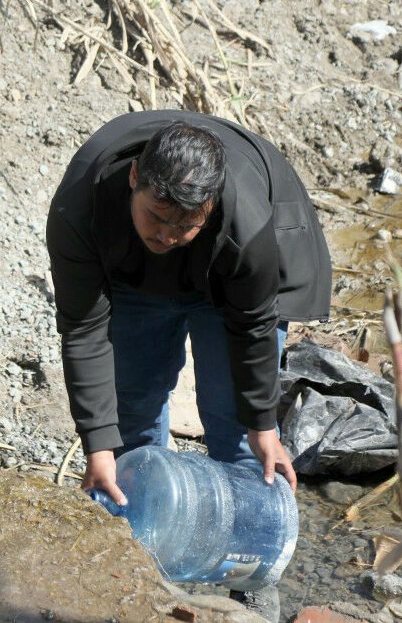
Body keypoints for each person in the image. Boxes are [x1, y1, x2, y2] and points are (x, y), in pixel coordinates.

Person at [46, 110, 331, 618]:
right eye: (156, 216)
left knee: (236, 426)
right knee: (131, 410)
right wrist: (98, 445)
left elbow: (252, 327)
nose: (168, 235)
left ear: (211, 206)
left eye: (185, 225)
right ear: (135, 178)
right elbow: (85, 331)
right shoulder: (81, 204)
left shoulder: (245, 221)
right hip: (129, 276)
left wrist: (263, 425)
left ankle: (250, 572)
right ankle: (144, 556)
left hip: (231, 287)